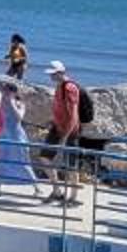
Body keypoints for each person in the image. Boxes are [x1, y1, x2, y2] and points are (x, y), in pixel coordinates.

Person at [42, 62, 85, 204]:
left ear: (61, 72)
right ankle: (57, 191)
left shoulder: (69, 88)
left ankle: (73, 197)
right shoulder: (59, 86)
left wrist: (65, 137)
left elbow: (73, 116)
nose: (51, 76)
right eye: (50, 73)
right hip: (57, 127)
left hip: (70, 131)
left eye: (53, 73)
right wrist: (53, 120)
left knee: (70, 165)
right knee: (44, 157)